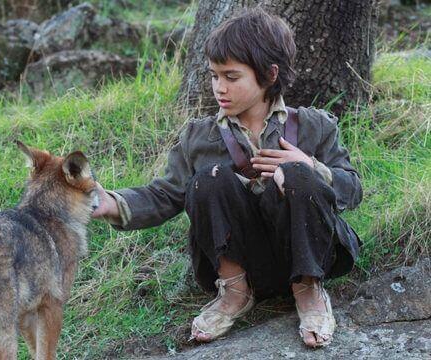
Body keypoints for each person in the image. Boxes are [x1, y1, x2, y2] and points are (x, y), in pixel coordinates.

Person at [92, 7, 362, 348]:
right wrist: (111, 203)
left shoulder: (314, 126)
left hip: (306, 255)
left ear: (268, 74)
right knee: (210, 177)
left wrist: (309, 166)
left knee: (298, 173)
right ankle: (234, 291)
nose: (219, 88)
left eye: (231, 77)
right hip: (245, 262)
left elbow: (352, 189)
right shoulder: (199, 137)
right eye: (214, 76)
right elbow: (166, 194)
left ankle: (308, 290)